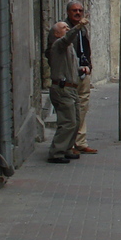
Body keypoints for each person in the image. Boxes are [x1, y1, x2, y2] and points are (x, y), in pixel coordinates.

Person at [46, 16, 87, 163]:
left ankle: (67, 148)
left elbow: (70, 66)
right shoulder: (58, 45)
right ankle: (56, 153)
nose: (67, 29)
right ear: (57, 33)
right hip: (62, 90)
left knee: (75, 120)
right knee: (67, 122)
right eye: (64, 28)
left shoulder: (68, 48)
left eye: (67, 27)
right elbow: (67, 39)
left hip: (71, 89)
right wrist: (78, 27)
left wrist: (81, 69)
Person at [66, 1, 96, 154]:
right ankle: (68, 144)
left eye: (80, 10)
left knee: (83, 107)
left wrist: (89, 66)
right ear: (68, 12)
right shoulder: (64, 28)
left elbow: (86, 48)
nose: (78, 13)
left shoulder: (82, 29)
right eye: (74, 10)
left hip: (84, 73)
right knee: (70, 110)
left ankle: (81, 142)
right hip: (70, 75)